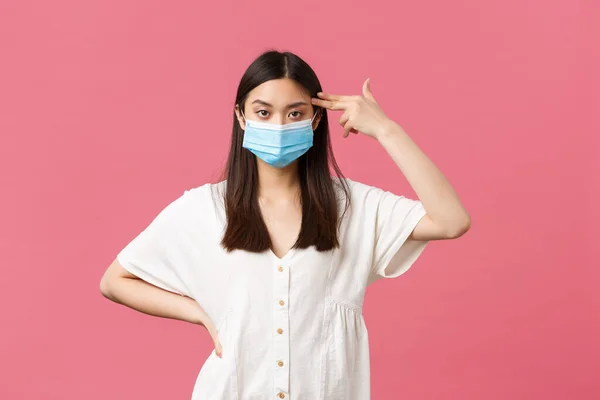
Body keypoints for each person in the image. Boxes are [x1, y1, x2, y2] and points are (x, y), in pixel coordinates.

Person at [100, 50, 470, 400]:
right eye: (263, 112)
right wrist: (199, 312)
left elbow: (452, 221)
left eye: (295, 114)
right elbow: (116, 281)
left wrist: (386, 130)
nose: (278, 125)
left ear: (316, 118)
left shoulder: (355, 208)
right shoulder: (204, 208)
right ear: (241, 117)